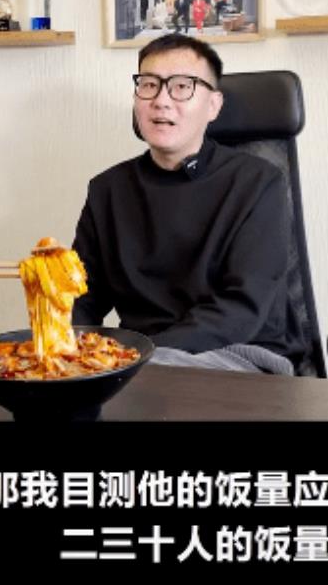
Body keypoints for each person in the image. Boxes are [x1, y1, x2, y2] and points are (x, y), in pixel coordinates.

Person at [72, 34, 304, 375]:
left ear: (213, 105)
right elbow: (81, 295)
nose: (161, 101)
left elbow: (243, 306)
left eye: (181, 87)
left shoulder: (259, 182)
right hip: (142, 360)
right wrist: (64, 349)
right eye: (149, 85)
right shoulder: (107, 190)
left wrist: (136, 356)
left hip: (240, 353)